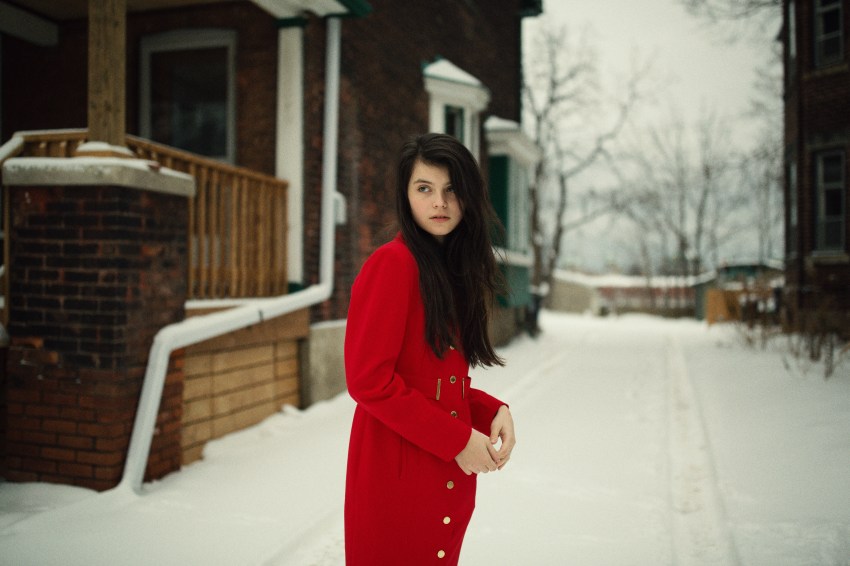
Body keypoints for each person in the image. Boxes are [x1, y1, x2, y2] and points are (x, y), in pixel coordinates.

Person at [344, 133, 516, 565]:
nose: (439, 202)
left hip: (438, 478)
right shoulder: (393, 264)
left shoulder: (446, 270)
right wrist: (459, 440)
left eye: (451, 189)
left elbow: (430, 380)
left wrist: (490, 409)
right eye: (424, 189)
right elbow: (369, 382)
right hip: (396, 482)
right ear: (406, 195)